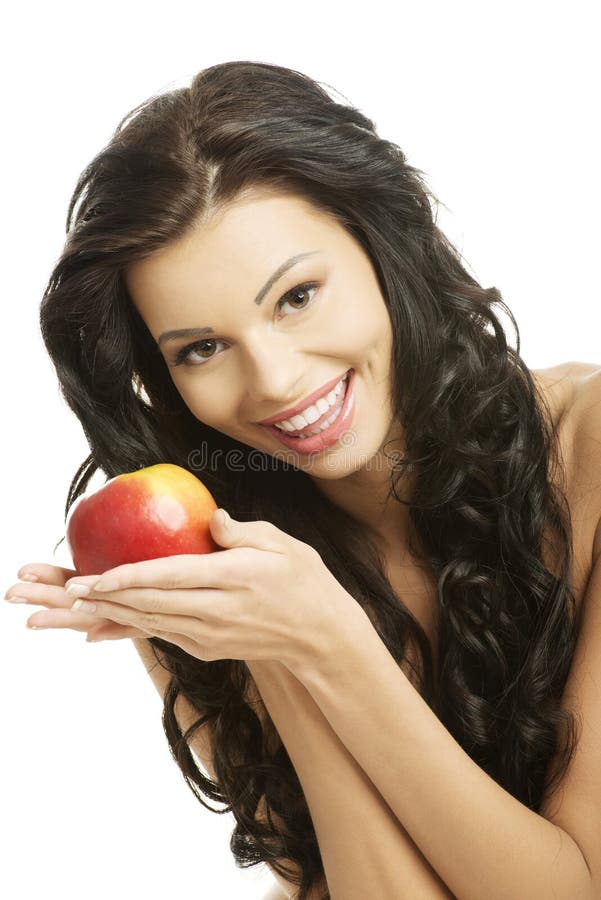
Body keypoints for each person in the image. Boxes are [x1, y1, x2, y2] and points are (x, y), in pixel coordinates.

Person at [5, 60, 601, 900]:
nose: (278, 382)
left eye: (297, 295)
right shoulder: (206, 571)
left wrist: (326, 642)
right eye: (200, 348)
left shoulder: (590, 446)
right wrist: (278, 648)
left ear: (383, 244)